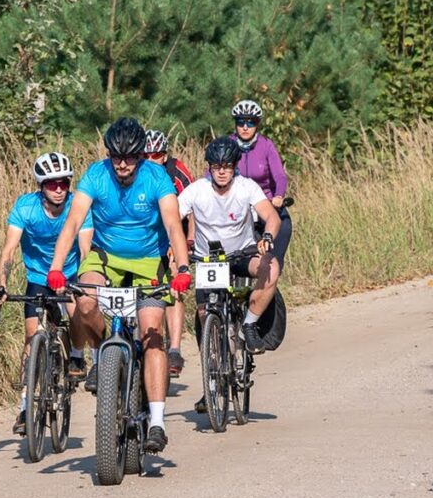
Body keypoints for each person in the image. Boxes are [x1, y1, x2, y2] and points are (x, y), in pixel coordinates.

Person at [47, 117, 191, 453]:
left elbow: (173, 225)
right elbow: (72, 224)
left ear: (141, 156)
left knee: (152, 333)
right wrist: (56, 268)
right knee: (84, 300)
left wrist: (182, 268)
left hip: (147, 260)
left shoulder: (156, 177)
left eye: (129, 158)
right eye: (116, 157)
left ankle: (156, 421)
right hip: (106, 256)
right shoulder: (97, 175)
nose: (122, 165)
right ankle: (103, 354)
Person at [0, 152, 94, 435]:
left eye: (63, 183)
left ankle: (75, 355)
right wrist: (1, 282)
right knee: (31, 336)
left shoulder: (77, 208)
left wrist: (83, 280)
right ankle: (25, 407)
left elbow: (85, 247)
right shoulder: (26, 207)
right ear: (41, 186)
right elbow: (9, 250)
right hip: (37, 278)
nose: (58, 189)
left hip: (70, 273)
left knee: (79, 314)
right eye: (51, 184)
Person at [181, 137, 281, 412]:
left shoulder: (246, 188)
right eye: (216, 166)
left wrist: (268, 238)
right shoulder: (195, 191)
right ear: (209, 168)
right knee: (204, 314)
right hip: (207, 259)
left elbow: (271, 217)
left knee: (270, 268)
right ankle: (210, 380)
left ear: (235, 167)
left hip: (241, 254)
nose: (222, 171)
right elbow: (173, 217)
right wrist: (174, 245)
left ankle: (249, 323)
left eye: (227, 166)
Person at [144, 129, 195, 377]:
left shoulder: (176, 171)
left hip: (176, 235)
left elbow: (193, 208)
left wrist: (189, 241)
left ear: (165, 156)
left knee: (173, 283)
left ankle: (174, 348)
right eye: (147, 155)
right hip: (149, 240)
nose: (153, 159)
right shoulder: (137, 174)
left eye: (158, 154)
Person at [230, 99, 293, 271]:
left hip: (266, 203)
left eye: (250, 122)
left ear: (257, 124)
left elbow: (280, 176)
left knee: (284, 223)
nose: (245, 127)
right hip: (237, 205)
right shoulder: (228, 145)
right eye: (240, 122)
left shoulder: (266, 146)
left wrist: (279, 196)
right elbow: (211, 173)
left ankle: (274, 270)